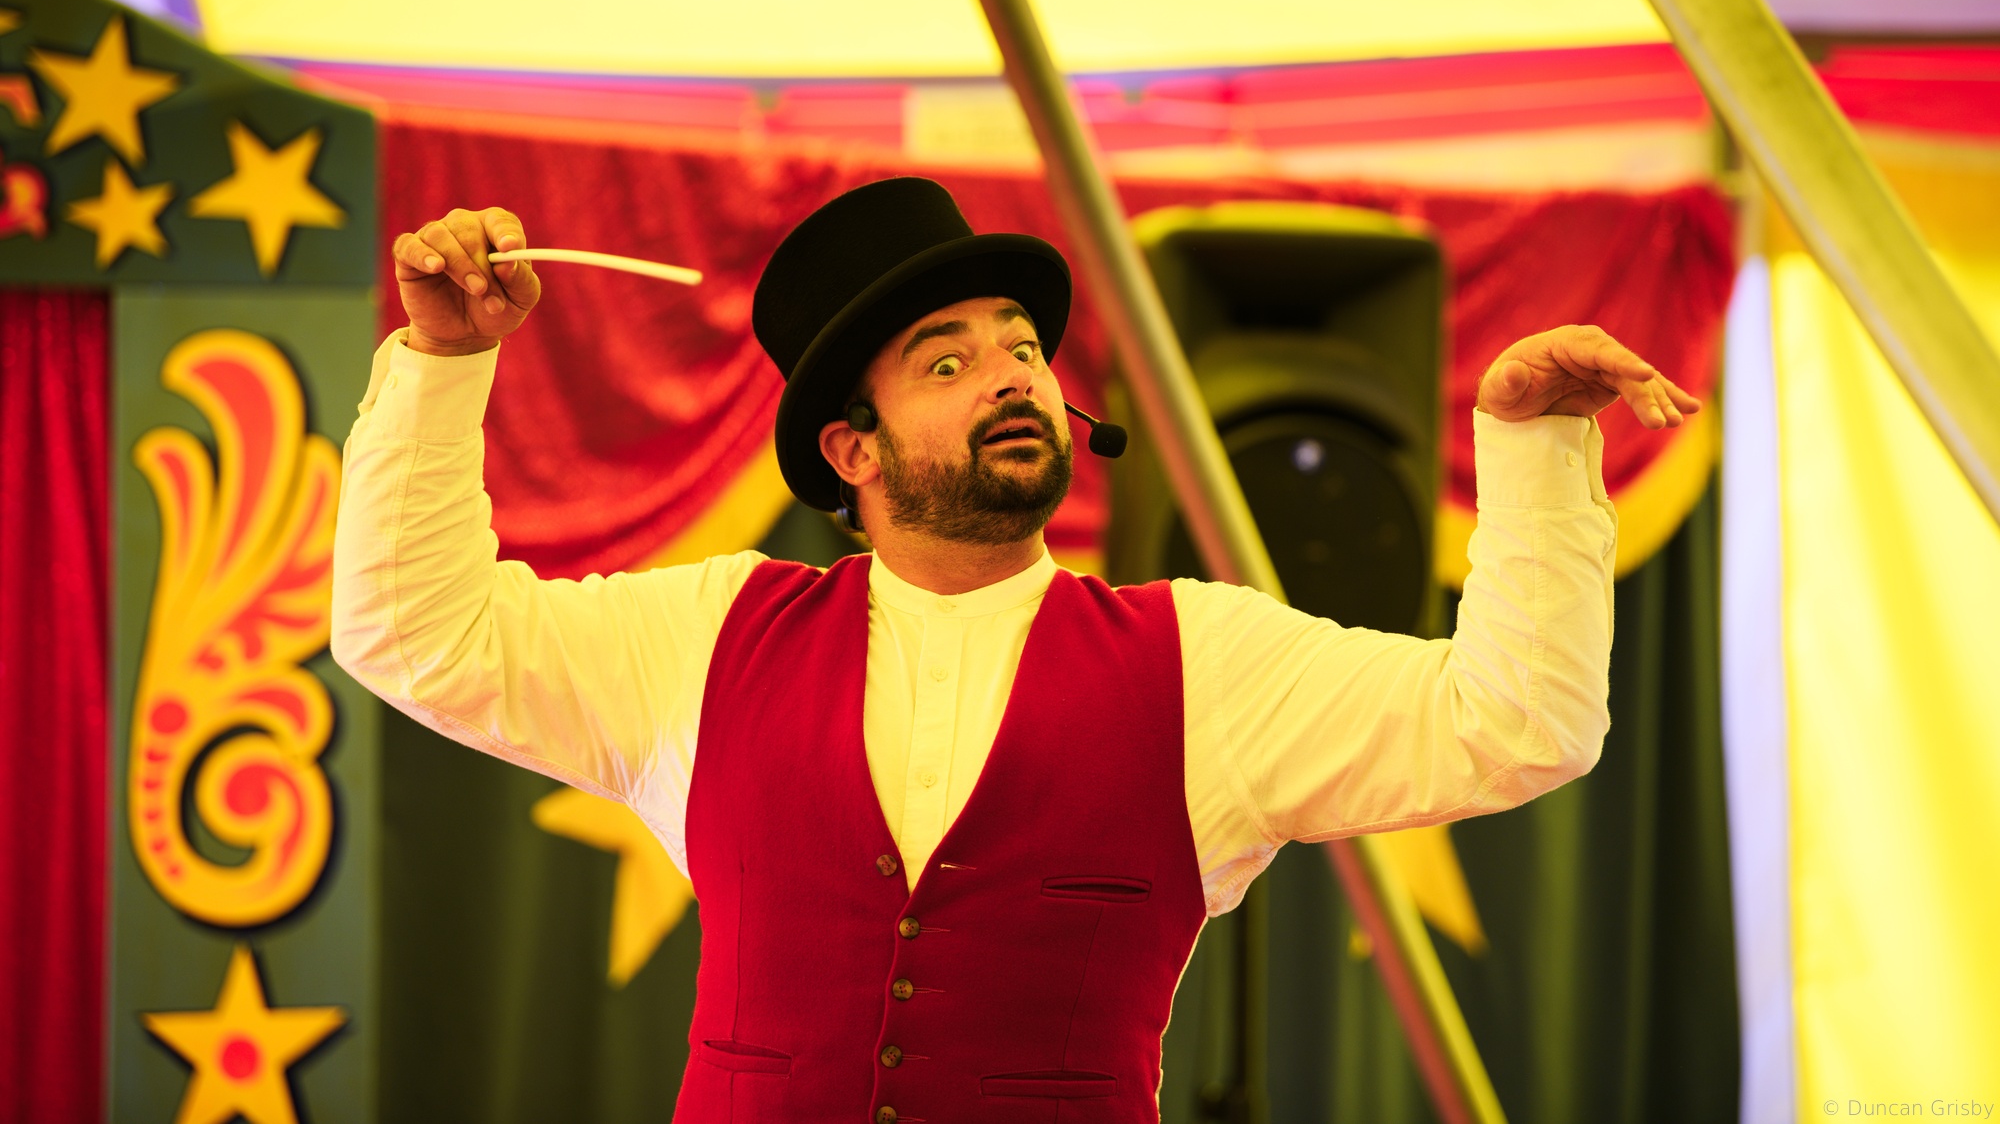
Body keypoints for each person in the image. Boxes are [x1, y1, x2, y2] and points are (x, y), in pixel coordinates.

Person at [331, 176, 1695, 1123]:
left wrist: (1531, 449)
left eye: (1025, 348)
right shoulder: (704, 639)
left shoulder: (1199, 662)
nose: (1011, 376)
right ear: (853, 451)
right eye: (947, 361)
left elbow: (1518, 723)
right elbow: (414, 632)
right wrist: (444, 363)